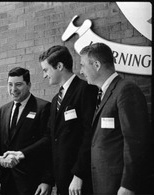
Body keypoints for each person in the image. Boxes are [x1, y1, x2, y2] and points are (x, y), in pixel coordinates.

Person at [79, 42, 153, 194]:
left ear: (97, 64)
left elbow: (135, 142)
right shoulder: (104, 94)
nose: (80, 71)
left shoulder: (126, 90)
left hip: (120, 186)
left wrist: (128, 185)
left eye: (83, 65)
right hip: (105, 184)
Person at [39, 45, 98, 195]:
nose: (44, 75)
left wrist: (79, 174)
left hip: (79, 182)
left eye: (46, 70)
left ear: (59, 66)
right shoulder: (54, 101)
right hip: (62, 180)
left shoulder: (86, 89)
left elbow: (89, 136)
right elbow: (52, 139)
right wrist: (48, 179)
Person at [0, 67, 52, 195]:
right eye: (10, 84)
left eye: (18, 84)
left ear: (29, 85)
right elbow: (1, 145)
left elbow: (48, 145)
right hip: (7, 181)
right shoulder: (3, 110)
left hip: (33, 182)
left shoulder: (43, 107)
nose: (13, 89)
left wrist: (47, 180)